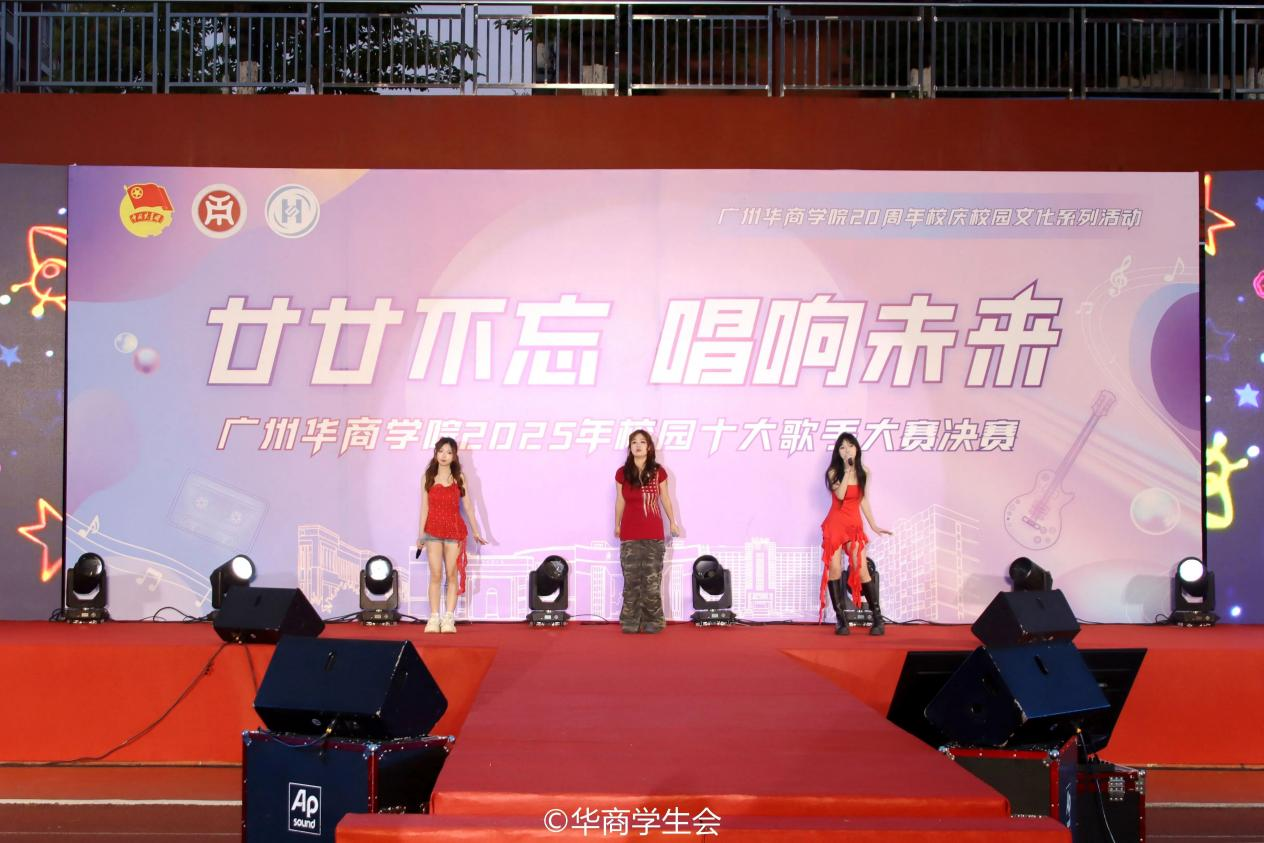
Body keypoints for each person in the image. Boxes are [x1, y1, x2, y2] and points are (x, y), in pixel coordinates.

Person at [821, 432, 892, 636]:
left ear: (857, 448)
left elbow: (863, 499)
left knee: (860, 569)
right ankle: (841, 619)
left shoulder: (864, 472)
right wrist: (846, 470)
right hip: (835, 524)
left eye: (850, 446)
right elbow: (841, 495)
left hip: (854, 525)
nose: (847, 450)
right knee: (835, 568)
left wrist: (873, 525)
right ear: (838, 452)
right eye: (842, 447)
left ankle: (877, 618)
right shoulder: (834, 472)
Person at [417, 437, 486, 633]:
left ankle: (448, 617)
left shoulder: (459, 477)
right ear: (435, 453)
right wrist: (421, 535)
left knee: (452, 574)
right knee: (436, 574)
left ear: (454, 456)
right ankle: (433, 617)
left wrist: (476, 531)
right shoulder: (428, 477)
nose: (444, 456)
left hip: (454, 531)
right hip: (433, 531)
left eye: (448, 452)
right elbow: (424, 508)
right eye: (441, 451)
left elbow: (468, 507)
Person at [615, 429, 680, 634]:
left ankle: (654, 620)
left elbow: (665, 498)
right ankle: (630, 620)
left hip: (653, 533)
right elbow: (620, 500)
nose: (638, 445)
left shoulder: (658, 471)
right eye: (634, 442)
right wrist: (617, 524)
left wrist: (673, 522)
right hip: (629, 533)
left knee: (651, 581)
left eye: (642, 442)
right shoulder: (622, 473)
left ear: (649, 447)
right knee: (631, 581)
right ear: (630, 447)